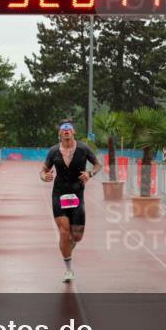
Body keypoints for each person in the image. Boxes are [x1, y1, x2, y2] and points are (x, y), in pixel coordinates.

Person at [40, 120, 101, 283]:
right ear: (60, 133)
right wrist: (43, 176)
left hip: (77, 194)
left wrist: (90, 174)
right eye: (63, 129)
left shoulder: (83, 149)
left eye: (69, 128)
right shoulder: (53, 151)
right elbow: (43, 170)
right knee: (64, 231)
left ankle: (69, 245)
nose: (66, 131)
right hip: (59, 194)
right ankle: (68, 270)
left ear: (73, 132)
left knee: (77, 236)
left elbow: (97, 165)